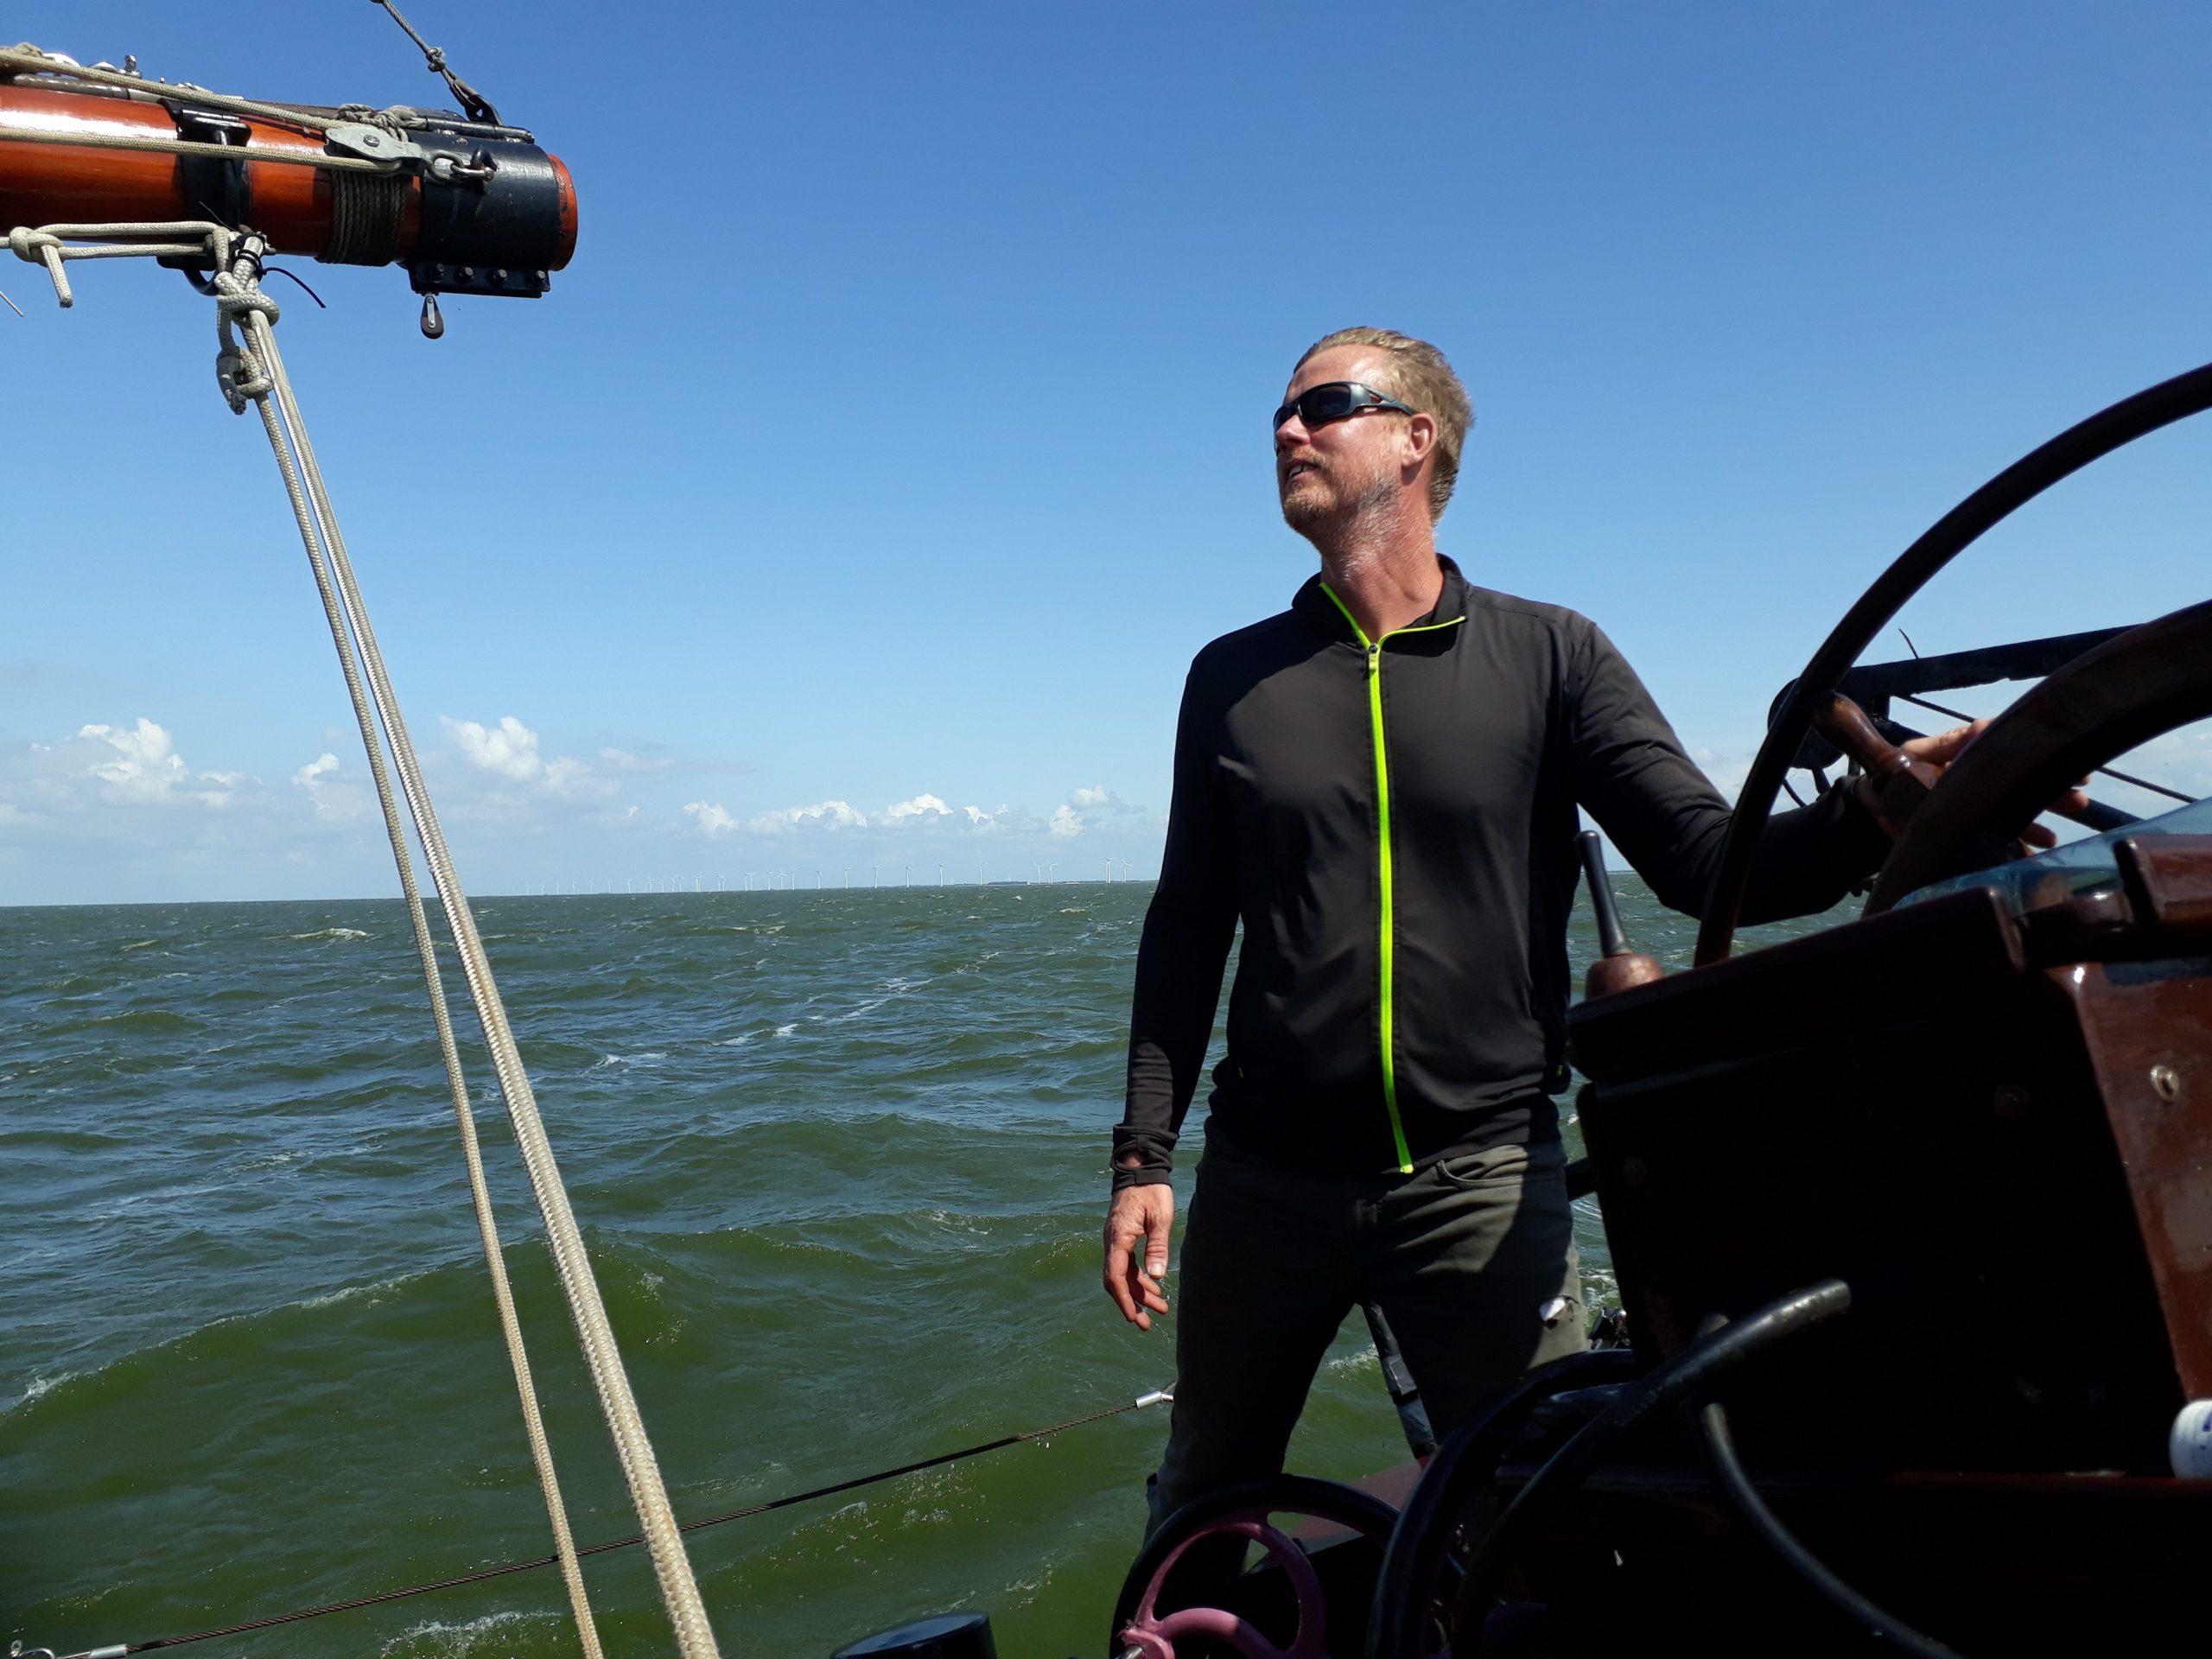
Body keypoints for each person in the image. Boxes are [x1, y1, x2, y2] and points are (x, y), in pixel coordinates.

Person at [1100, 326, 1994, 1538]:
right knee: (1202, 1502)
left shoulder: (1552, 654)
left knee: (1534, 1517)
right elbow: (1188, 924)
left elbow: (1703, 861)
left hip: (1479, 1180)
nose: (1286, 430)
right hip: (1267, 1182)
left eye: (1326, 405)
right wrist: (1143, 1161)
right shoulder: (1232, 676)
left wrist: (1868, 814)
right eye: (1283, 412)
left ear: (1420, 440)